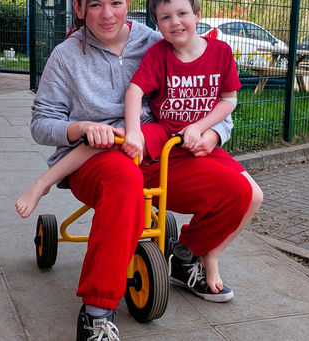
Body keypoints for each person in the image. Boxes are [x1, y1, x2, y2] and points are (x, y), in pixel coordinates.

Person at [28, 0, 262, 340]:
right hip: (97, 156)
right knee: (125, 182)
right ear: (79, 9)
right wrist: (78, 127)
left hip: (158, 147)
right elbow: (40, 124)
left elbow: (208, 97)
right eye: (95, 4)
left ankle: (187, 256)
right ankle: (97, 312)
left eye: (116, 3)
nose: (107, 14)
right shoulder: (65, 57)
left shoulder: (157, 40)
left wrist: (215, 132)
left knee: (239, 191)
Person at [122, 0, 263, 303]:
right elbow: (135, 90)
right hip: (169, 143)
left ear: (197, 15)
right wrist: (133, 130)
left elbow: (229, 99)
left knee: (255, 196)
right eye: (165, 17)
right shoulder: (159, 54)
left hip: (198, 141)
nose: (175, 22)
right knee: (237, 192)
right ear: (157, 24)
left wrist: (203, 127)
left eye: (182, 13)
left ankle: (202, 254)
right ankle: (191, 255)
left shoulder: (220, 52)